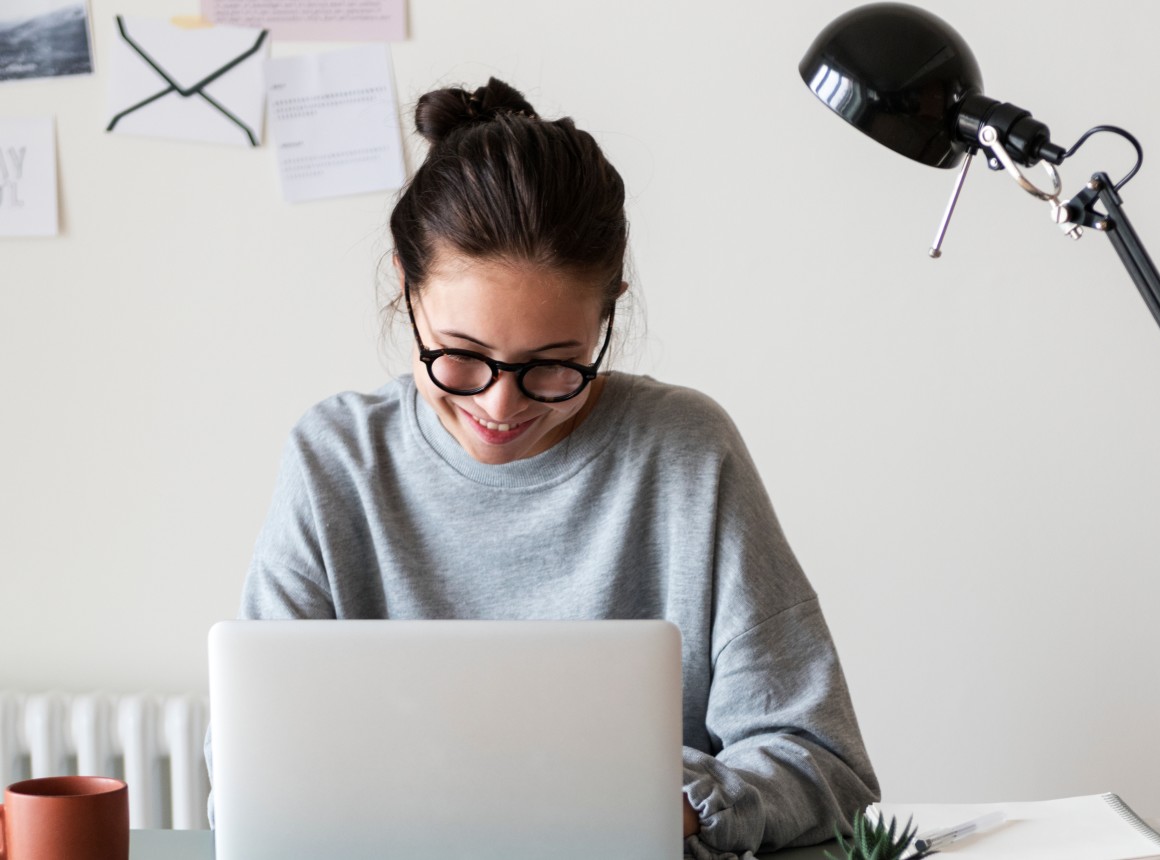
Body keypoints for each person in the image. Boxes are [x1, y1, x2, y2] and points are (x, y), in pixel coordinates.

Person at [237, 77, 880, 857]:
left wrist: (664, 804)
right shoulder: (336, 460)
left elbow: (824, 763)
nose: (502, 406)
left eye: (553, 365)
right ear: (405, 295)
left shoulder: (686, 453)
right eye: (462, 358)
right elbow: (250, 759)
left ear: (606, 319)